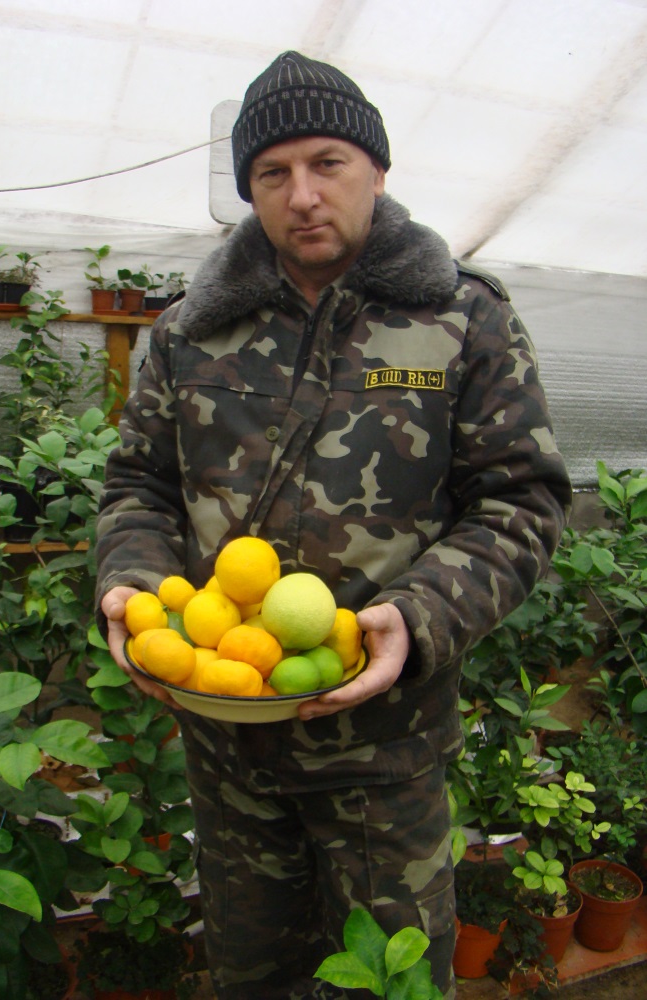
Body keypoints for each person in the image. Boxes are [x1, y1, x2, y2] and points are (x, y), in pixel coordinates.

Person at [96, 50, 571, 999]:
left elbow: (521, 500)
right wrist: (134, 586)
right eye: (272, 173)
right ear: (249, 191)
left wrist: (420, 614)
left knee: (390, 981)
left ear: (377, 170)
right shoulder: (191, 330)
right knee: (254, 974)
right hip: (227, 739)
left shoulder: (460, 319)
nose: (302, 195)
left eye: (328, 163)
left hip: (385, 750)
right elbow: (139, 483)